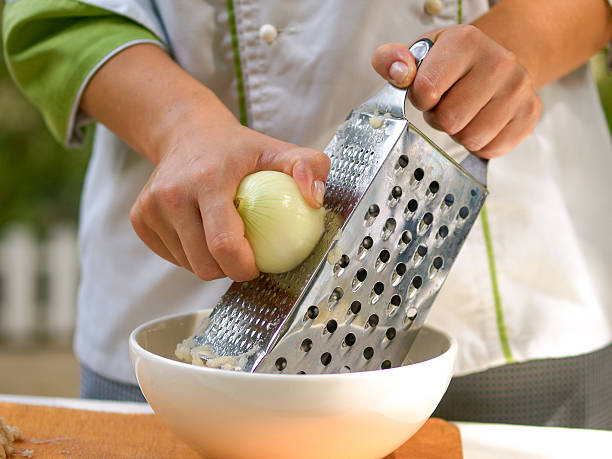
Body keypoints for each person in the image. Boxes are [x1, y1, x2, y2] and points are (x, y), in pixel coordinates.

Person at [3, 0, 612, 428]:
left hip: (523, 309)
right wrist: (179, 126)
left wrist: (516, 49)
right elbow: (56, 12)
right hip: (182, 313)